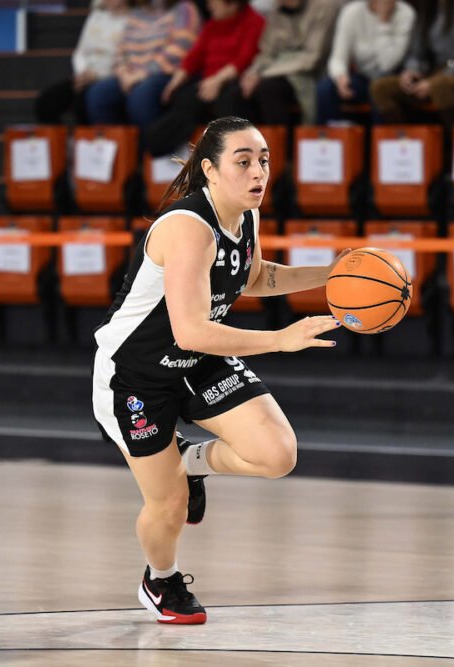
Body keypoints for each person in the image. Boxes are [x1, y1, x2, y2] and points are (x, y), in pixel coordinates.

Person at [91, 116, 348, 624]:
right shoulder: (187, 227)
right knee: (169, 506)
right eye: (244, 161)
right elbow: (190, 330)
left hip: (196, 361)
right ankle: (160, 578)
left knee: (277, 454)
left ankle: (190, 461)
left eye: (264, 161)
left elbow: (254, 276)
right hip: (135, 374)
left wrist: (332, 274)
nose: (258, 172)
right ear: (210, 169)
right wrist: (280, 340)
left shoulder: (245, 215)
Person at [147, 0, 265, 156]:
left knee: (229, 100)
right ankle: (161, 149)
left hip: (235, 80)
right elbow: (194, 58)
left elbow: (244, 59)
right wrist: (174, 82)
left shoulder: (255, 22)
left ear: (233, 3)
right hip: (208, 82)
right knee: (182, 97)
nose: (209, 6)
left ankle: (232, 153)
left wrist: (217, 81)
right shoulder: (212, 25)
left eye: (213, 2)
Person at [83, 0, 202, 136]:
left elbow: (181, 47)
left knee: (141, 95)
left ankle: (148, 148)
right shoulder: (137, 13)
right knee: (99, 94)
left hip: (166, 73)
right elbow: (121, 49)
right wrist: (123, 73)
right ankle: (119, 146)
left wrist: (144, 74)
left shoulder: (185, 9)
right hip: (131, 75)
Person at [224, 0, 343, 126]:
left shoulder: (325, 6)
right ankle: (245, 138)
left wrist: (263, 74)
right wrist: (252, 73)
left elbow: (312, 58)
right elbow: (267, 52)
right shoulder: (276, 11)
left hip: (309, 75)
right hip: (274, 71)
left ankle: (284, 138)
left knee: (268, 89)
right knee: (236, 92)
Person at [369, 0, 454, 126]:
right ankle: (404, 136)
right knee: (380, 87)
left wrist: (437, 78)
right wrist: (412, 71)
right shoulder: (427, 6)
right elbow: (416, 53)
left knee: (439, 86)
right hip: (434, 72)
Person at [34, 0, 134, 125]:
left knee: (83, 101)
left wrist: (98, 75)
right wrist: (82, 73)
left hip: (112, 77)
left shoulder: (135, 19)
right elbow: (80, 52)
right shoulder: (96, 16)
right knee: (46, 102)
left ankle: (90, 137)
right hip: (84, 75)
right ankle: (59, 137)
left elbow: (128, 59)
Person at [315, 0, 415, 124]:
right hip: (363, 77)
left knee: (378, 90)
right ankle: (333, 134)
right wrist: (340, 76)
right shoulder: (351, 12)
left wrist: (383, 22)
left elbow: (387, 64)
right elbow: (338, 57)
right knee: (325, 87)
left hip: (392, 79)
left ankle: (378, 136)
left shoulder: (405, 13)